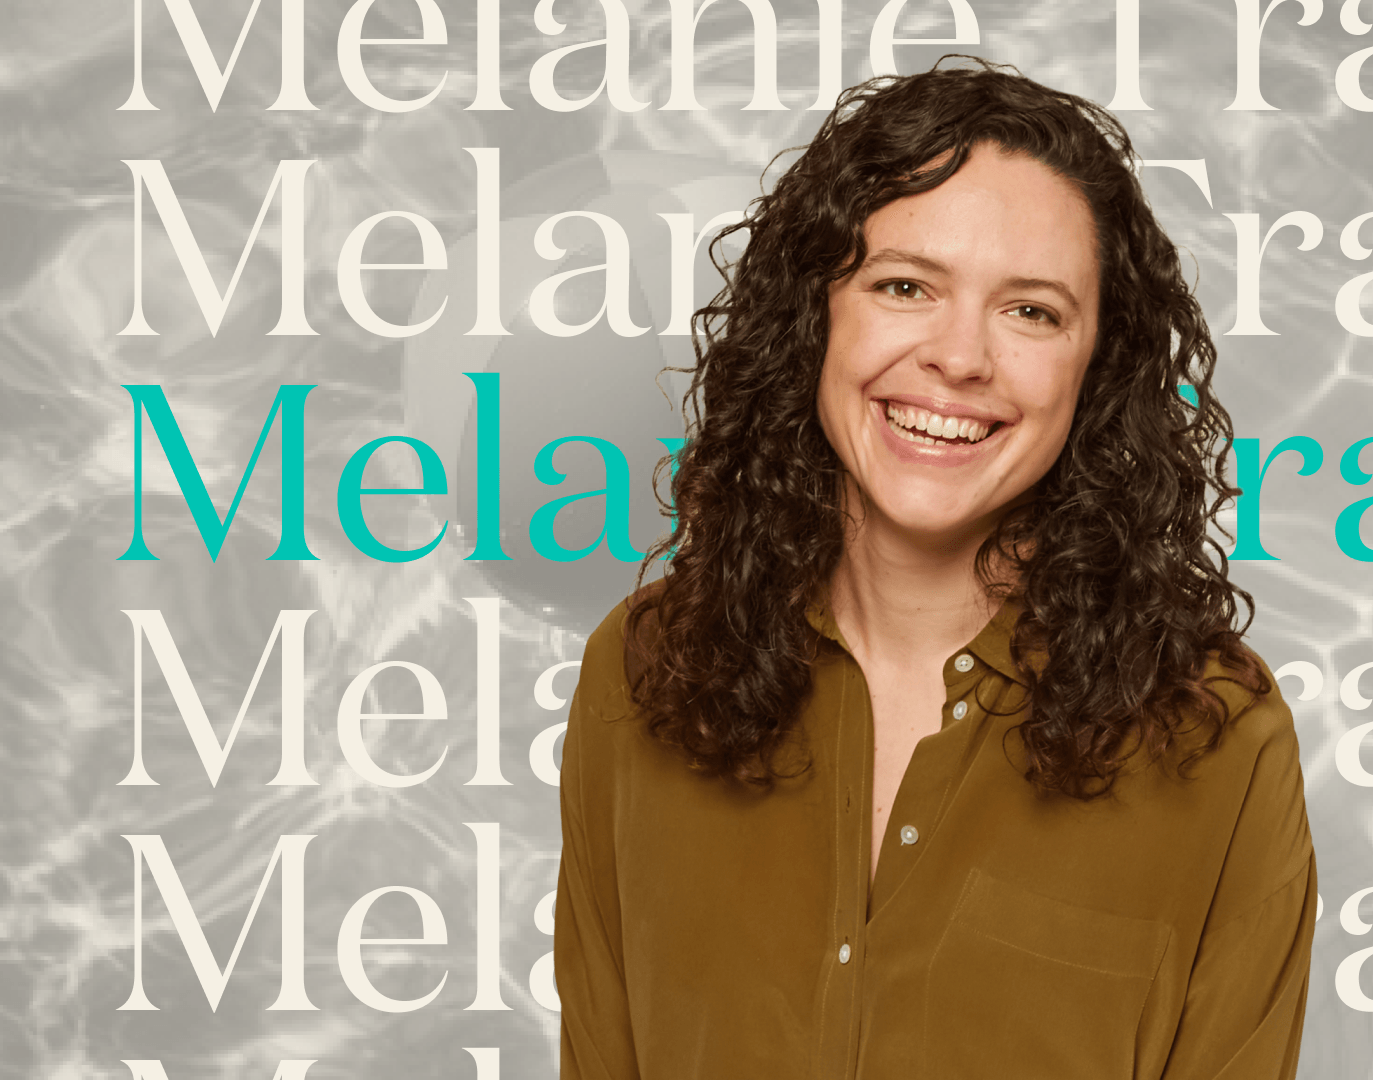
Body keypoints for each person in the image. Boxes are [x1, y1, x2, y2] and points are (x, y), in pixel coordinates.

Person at [554, 58, 1315, 1080]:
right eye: (905, 286)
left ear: (1096, 370)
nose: (960, 357)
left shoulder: (1215, 735)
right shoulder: (641, 673)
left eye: (1031, 311)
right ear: (814, 316)